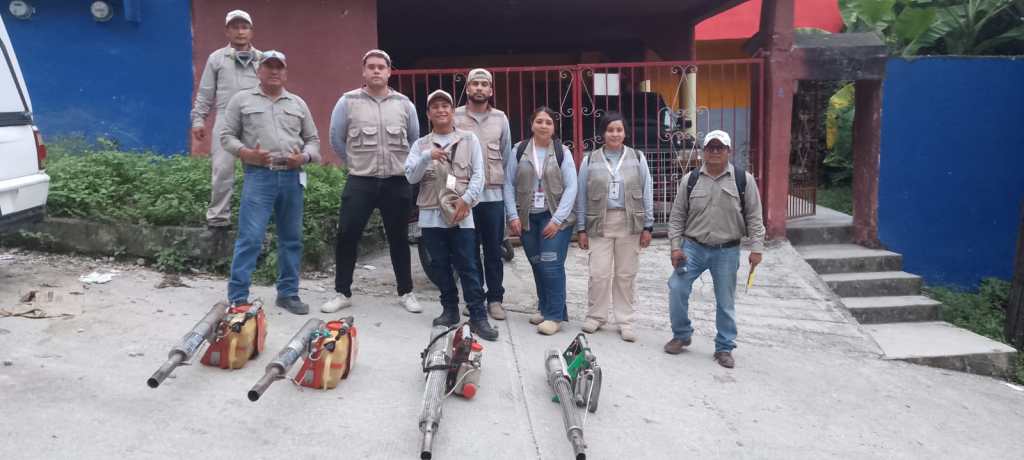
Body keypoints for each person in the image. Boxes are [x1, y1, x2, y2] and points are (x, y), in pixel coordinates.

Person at [218, 51, 321, 314]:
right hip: (259, 176)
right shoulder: (241, 100)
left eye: (279, 67)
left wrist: (305, 157)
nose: (274, 71)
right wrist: (246, 153)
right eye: (268, 66)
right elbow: (226, 136)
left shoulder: (297, 103)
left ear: (285, 72)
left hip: (292, 177)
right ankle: (238, 296)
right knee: (250, 238)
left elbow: (313, 140)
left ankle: (288, 294)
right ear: (259, 71)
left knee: (291, 239)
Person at [321, 49, 422, 314]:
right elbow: (336, 139)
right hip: (361, 181)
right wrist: (354, 162)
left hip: (396, 181)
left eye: (382, 67)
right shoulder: (348, 102)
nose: (377, 71)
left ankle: (406, 292)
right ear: (364, 71)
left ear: (389, 72)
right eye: (372, 67)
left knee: (399, 238)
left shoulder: (404, 104)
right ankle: (342, 292)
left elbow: (414, 141)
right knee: (347, 235)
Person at [664, 130, 765, 368]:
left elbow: (754, 217)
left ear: (729, 151)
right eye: (711, 147)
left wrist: (757, 249)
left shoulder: (743, 180)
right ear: (703, 151)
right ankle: (681, 334)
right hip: (693, 248)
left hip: (727, 251)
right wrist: (675, 248)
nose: (715, 152)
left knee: (725, 300)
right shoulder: (690, 180)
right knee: (677, 288)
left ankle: (724, 347)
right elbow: (677, 217)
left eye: (720, 148)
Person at [405, 90, 498, 341]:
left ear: (452, 111)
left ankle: (478, 315)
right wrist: (427, 157)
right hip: (430, 212)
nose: (441, 110)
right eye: (435, 106)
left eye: (445, 105)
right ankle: (449, 310)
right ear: (428, 114)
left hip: (461, 212)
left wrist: (467, 200)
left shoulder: (469, 140)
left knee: (468, 264)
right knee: (440, 264)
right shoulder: (420, 145)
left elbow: (479, 174)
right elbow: (410, 176)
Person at [575, 112, 654, 342]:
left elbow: (647, 192)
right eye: (610, 130)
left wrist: (648, 226)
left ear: (625, 133)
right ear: (602, 133)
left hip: (630, 224)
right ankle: (596, 316)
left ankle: (625, 320)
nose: (615, 134)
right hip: (600, 222)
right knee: (599, 273)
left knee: (625, 274)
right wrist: (581, 228)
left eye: (619, 130)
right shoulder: (590, 160)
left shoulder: (637, 158)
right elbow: (582, 196)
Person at [504, 107, 578, 335]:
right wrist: (513, 215)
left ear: (554, 127)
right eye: (539, 121)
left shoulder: (561, 152)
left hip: (555, 217)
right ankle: (546, 308)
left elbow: (572, 187)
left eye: (548, 122)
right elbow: (508, 184)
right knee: (537, 263)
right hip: (527, 218)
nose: (543, 125)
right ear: (532, 124)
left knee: (551, 265)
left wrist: (557, 220)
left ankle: (555, 317)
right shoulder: (519, 150)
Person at [191, 9, 261, 230]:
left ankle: (255, 219)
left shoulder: (263, 59)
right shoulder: (217, 58)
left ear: (251, 31)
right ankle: (218, 219)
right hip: (225, 119)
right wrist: (198, 120)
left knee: (258, 170)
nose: (240, 32)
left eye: (244, 27)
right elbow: (205, 92)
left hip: (255, 120)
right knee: (222, 170)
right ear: (227, 31)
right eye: (235, 27)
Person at [454, 68, 513, 321]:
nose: (479, 88)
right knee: (468, 249)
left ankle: (496, 298)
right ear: (467, 89)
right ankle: (474, 297)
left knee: (493, 250)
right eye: (474, 84)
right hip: (465, 197)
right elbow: (447, 157)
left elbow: (507, 155)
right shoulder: (455, 117)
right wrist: (451, 191)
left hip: (492, 196)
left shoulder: (501, 118)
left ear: (490, 90)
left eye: (484, 84)